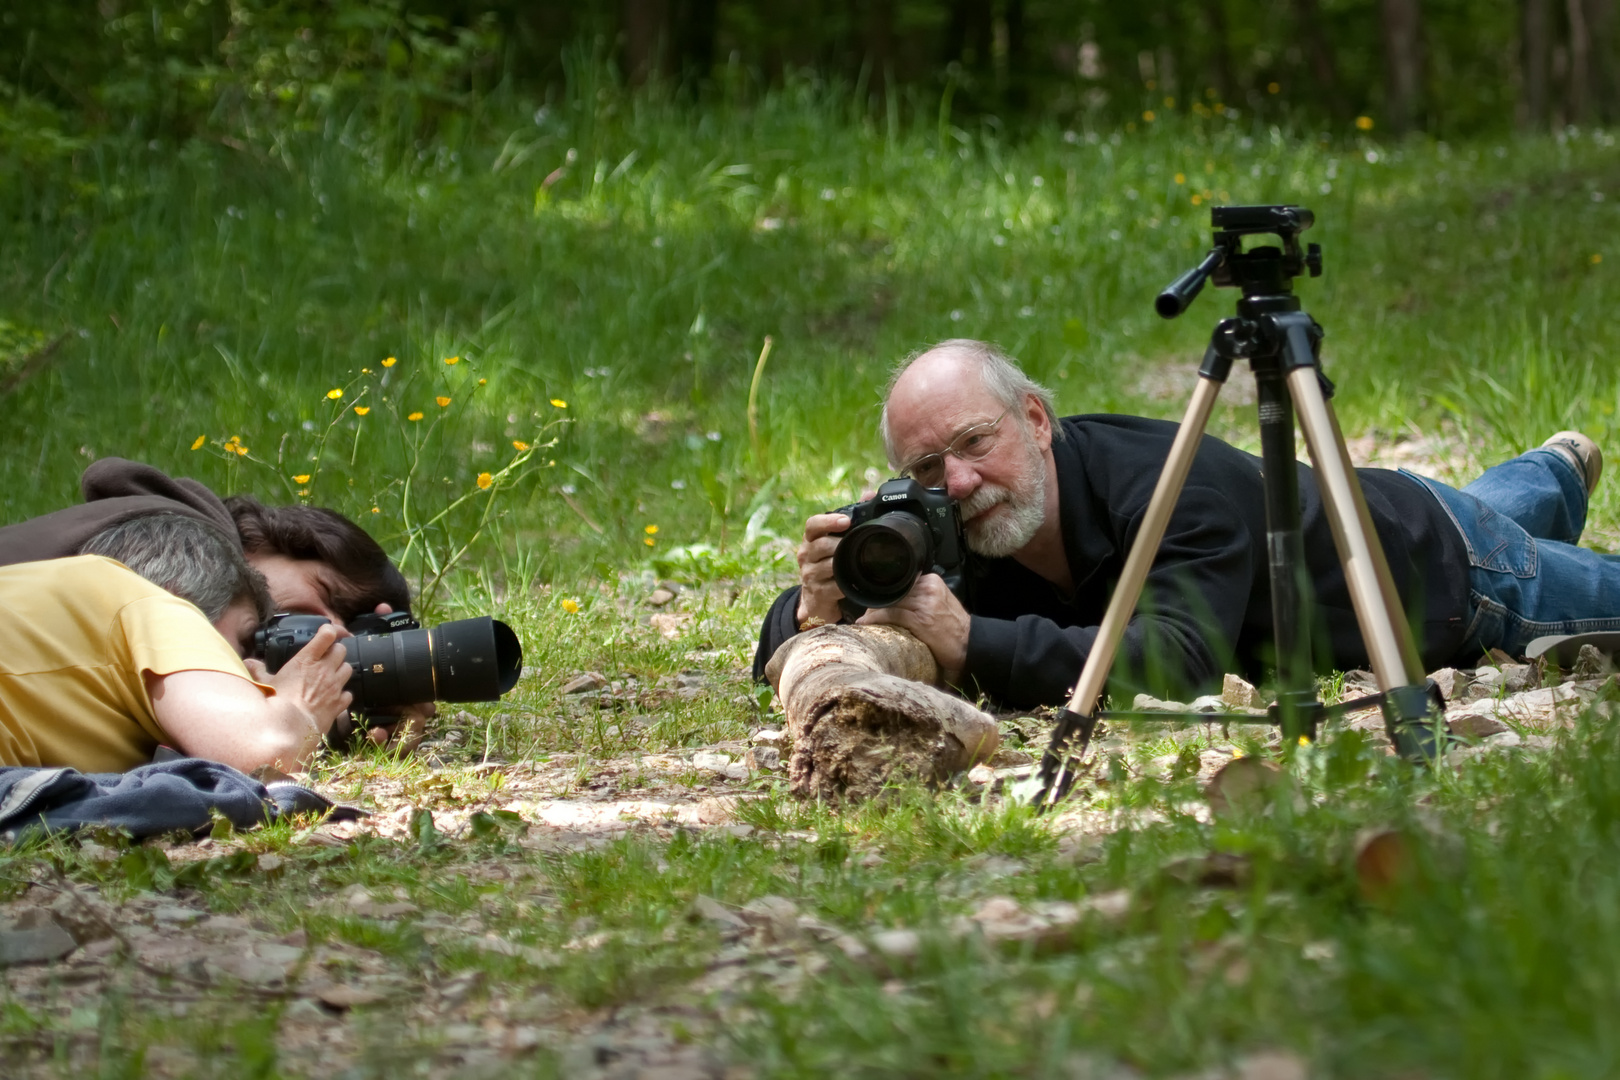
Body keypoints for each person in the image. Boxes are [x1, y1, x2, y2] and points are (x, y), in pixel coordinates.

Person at [754, 338, 1619, 709]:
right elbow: (780, 653)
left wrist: (970, 637)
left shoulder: (1174, 482)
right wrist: (815, 610)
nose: (960, 481)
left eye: (975, 443)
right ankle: (1548, 471)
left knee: (1504, 546)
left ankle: (1540, 482)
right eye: (926, 468)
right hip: (1364, 501)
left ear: (1036, 420)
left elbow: (1180, 660)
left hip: (1446, 580)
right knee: (1495, 507)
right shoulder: (943, 514)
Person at [0, 457, 428, 748]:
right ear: (262, 541)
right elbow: (250, 746)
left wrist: (346, 715)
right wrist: (289, 718)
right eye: (327, 594)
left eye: (349, 631)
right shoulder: (172, 553)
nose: (329, 630)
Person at [0, 514, 352, 773]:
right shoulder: (148, 604)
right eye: (245, 642)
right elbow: (267, 750)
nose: (249, 667)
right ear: (181, 594)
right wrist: (302, 702)